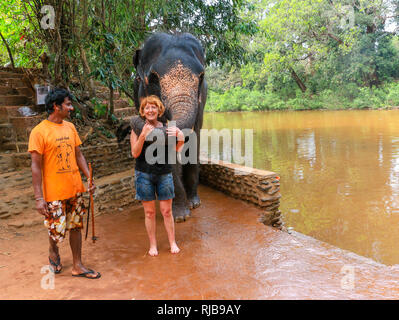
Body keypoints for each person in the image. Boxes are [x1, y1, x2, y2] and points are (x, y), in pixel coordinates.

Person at [28, 88, 101, 279]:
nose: (71, 108)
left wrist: (89, 178)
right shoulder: (39, 132)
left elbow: (79, 155)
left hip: (75, 188)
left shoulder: (70, 127)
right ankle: (53, 250)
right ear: (56, 106)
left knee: (76, 226)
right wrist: (39, 198)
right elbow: (35, 167)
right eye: (68, 104)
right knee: (56, 229)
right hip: (54, 193)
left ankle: (78, 265)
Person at [130, 95, 184, 256]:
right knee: (150, 213)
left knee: (167, 211)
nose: (150, 110)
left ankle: (172, 242)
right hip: (144, 174)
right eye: (147, 107)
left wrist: (180, 136)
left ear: (159, 110)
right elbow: (134, 152)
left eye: (154, 107)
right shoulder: (138, 127)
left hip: (164, 173)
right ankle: (153, 245)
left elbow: (177, 150)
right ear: (143, 111)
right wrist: (142, 136)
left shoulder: (168, 127)